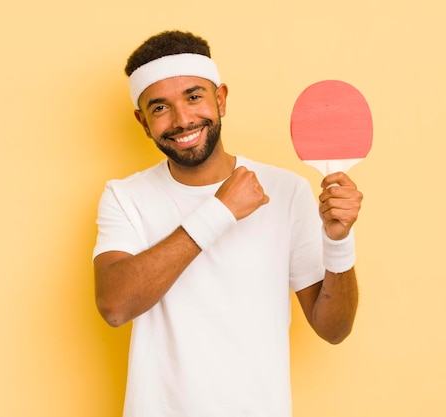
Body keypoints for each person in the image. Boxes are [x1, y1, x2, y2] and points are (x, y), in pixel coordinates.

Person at [93, 30, 363, 417]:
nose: (182, 119)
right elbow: (115, 306)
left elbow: (333, 329)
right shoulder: (125, 196)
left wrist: (339, 242)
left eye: (194, 96)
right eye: (159, 107)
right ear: (142, 120)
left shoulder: (286, 190)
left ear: (220, 99)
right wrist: (219, 212)